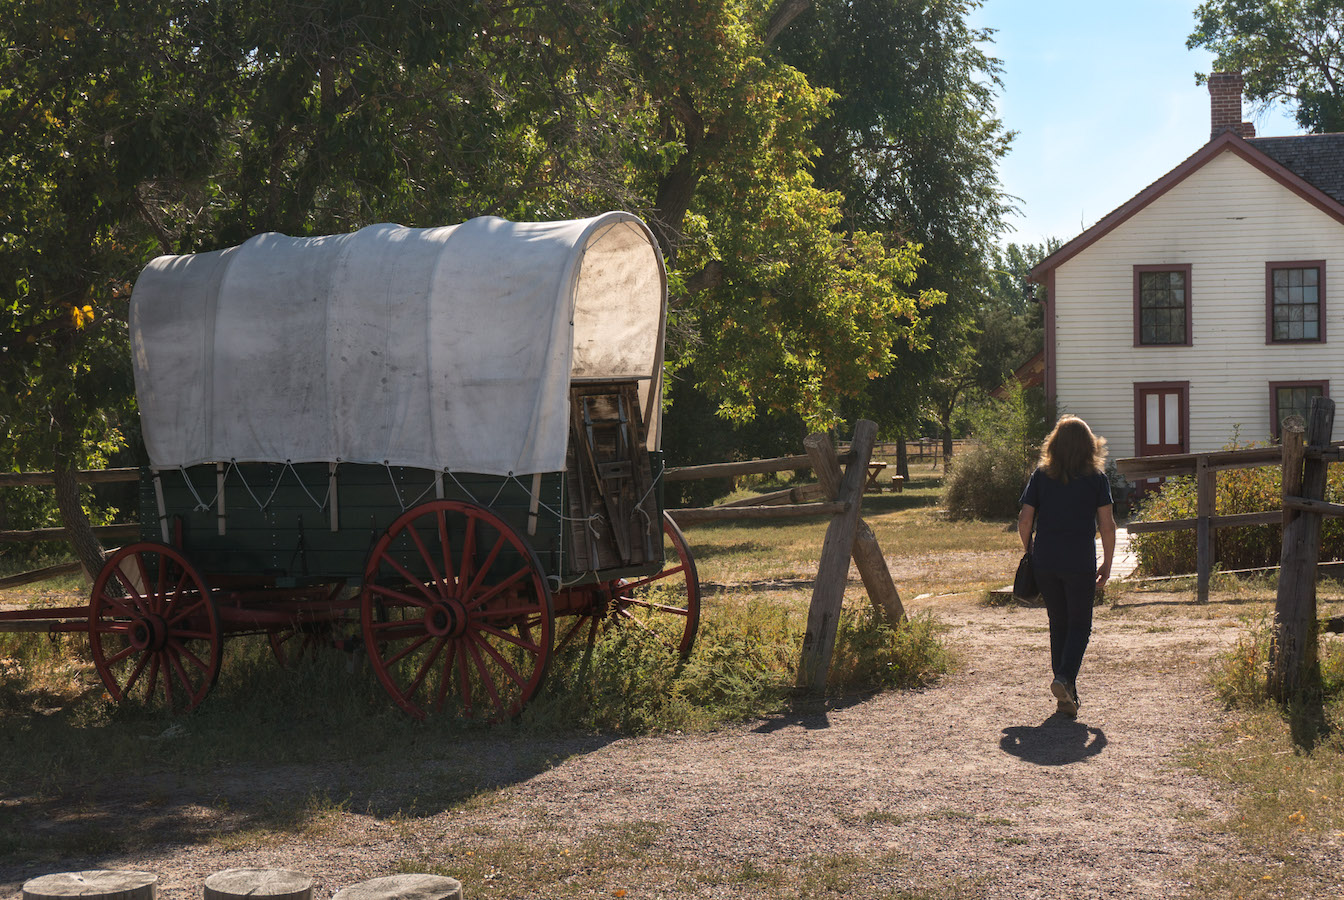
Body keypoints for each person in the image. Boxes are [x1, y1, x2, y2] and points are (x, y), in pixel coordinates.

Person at [1017, 415, 1116, 718]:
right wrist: (1108, 562)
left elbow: (1024, 520)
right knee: (1080, 626)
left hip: (1046, 560)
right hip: (1078, 562)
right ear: (1089, 447)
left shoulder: (1041, 476)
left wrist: (1030, 550)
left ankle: (1066, 696)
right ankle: (1064, 680)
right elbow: (1108, 526)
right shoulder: (1096, 479)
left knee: (1058, 623)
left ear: (1055, 445)